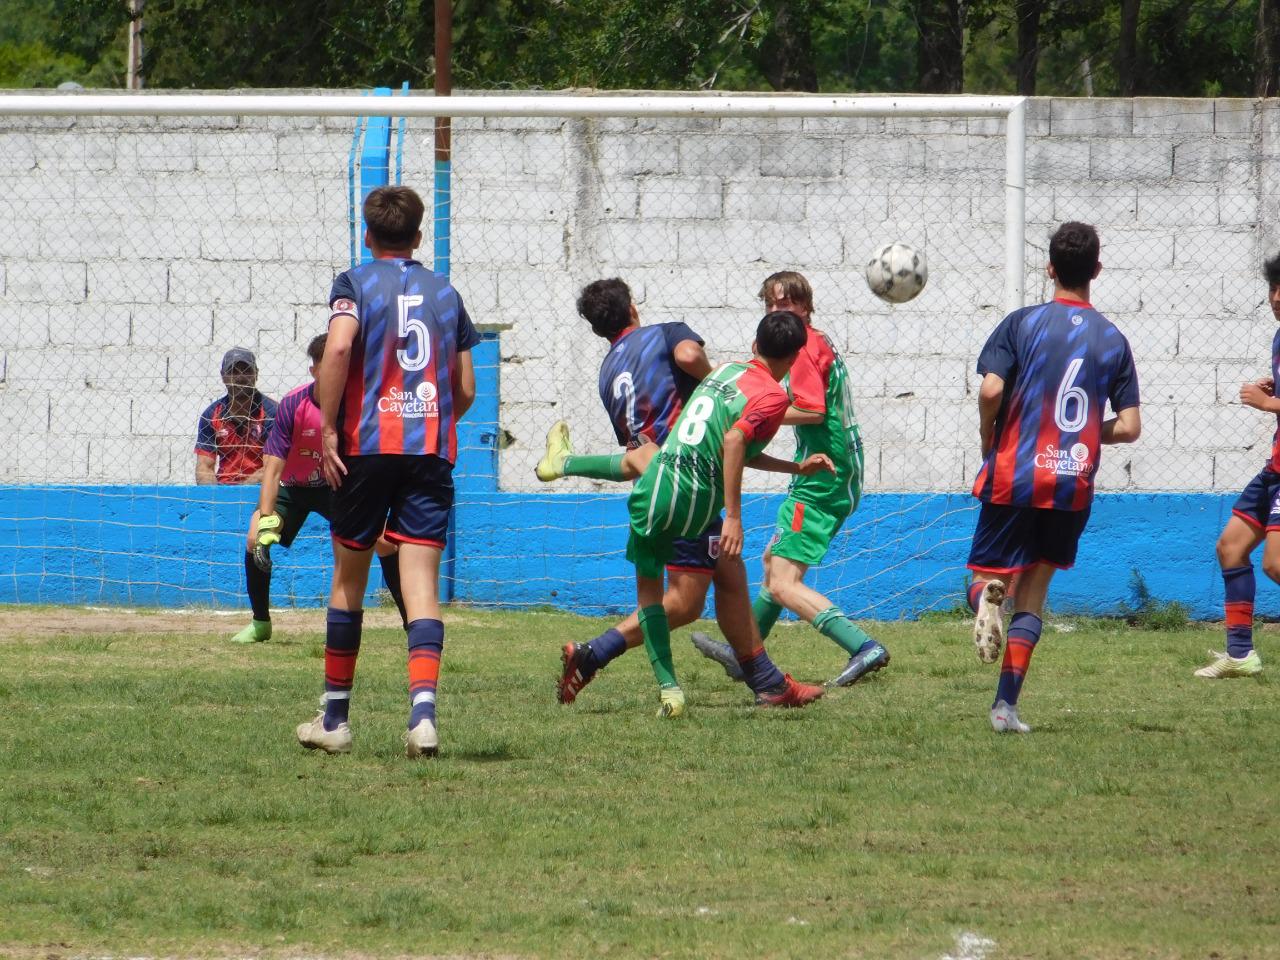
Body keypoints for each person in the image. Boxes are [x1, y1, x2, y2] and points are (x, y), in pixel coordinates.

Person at [294, 185, 479, 757]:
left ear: (368, 235)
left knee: (349, 578)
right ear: (418, 237)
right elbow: (466, 388)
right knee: (421, 583)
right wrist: (426, 413)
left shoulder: (354, 282)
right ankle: (423, 717)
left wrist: (328, 427)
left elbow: (341, 348)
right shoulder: (447, 293)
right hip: (429, 450)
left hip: (364, 448)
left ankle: (335, 721)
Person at [964, 222, 1140, 733]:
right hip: (1070, 481)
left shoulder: (1022, 323)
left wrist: (988, 434)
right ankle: (1005, 709)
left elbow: (991, 389)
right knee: (1034, 596)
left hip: (1014, 473)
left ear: (1049, 268)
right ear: (1097, 271)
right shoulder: (1114, 339)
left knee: (985, 580)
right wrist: (1084, 430)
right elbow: (1129, 428)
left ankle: (984, 604)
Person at [625, 311, 832, 717]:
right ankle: (596, 654)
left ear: (755, 346)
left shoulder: (726, 371)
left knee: (729, 574)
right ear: (794, 358)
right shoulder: (773, 396)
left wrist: (795, 467)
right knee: (684, 604)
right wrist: (735, 516)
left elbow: (736, 443)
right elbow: (734, 441)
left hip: (663, 482)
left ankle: (769, 683)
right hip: (695, 499)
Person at [534, 278, 728, 704]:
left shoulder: (607, 374)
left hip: (650, 490)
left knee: (700, 581)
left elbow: (633, 449)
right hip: (689, 480)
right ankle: (595, 652)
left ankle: (744, 674)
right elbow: (690, 354)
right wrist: (718, 390)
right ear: (634, 307)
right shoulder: (665, 332)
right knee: (688, 600)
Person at [691, 272, 889, 688]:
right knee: (773, 564)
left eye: (788, 304)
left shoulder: (802, 349)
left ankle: (863, 646)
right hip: (838, 468)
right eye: (771, 305)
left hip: (823, 474)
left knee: (782, 581)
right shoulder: (815, 340)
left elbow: (813, 410)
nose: (779, 311)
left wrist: (757, 413)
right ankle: (745, 652)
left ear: (806, 307)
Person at [230, 334, 407, 644]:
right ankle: (260, 623)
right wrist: (268, 516)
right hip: (293, 487)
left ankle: (412, 622)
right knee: (253, 537)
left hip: (338, 485)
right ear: (315, 371)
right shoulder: (293, 404)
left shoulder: (361, 404)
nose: (344, 371)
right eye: (334, 364)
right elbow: (272, 469)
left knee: (385, 543)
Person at [1198, 254, 1280, 679]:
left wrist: (1269, 402)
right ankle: (1241, 654)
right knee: (1230, 547)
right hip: (1275, 467)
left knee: (1275, 564)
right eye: (1274, 287)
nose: (1278, 297)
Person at [194, 347, 277, 485]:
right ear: (223, 376)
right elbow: (204, 468)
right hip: (222, 490)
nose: (240, 378)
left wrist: (239, 493)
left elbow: (272, 467)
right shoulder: (211, 415)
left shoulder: (273, 414)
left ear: (256, 374)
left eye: (247, 371)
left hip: (261, 490)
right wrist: (214, 498)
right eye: (233, 372)